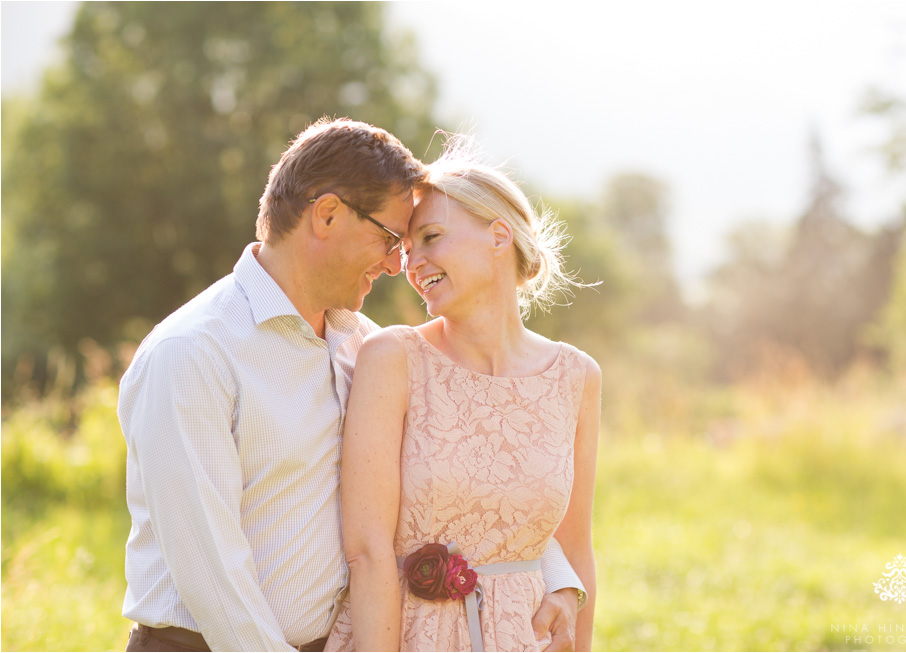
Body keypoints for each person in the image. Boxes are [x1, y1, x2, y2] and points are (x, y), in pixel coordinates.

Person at [117, 118, 585, 652]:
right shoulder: (195, 353)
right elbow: (209, 569)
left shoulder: (362, 344)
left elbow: (449, 487)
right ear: (328, 214)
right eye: (390, 238)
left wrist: (555, 573)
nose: (395, 265)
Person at [325, 138, 600, 652]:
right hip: (407, 636)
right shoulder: (393, 359)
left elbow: (575, 548)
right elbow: (367, 550)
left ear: (499, 236)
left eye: (430, 238)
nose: (413, 264)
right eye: (407, 251)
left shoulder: (576, 376)